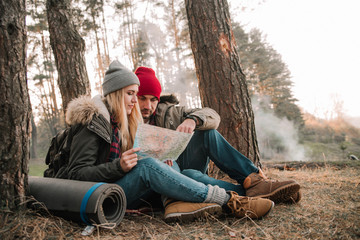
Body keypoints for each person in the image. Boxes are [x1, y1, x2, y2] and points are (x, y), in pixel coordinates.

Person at [63, 60, 275, 223]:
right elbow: (76, 175)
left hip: (130, 185)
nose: (137, 102)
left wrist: (190, 124)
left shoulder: (123, 122)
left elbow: (210, 115)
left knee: (187, 171)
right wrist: (118, 166)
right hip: (104, 195)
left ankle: (250, 189)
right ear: (116, 94)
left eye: (140, 95)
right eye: (132, 94)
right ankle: (228, 202)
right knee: (147, 167)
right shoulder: (93, 123)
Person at [135, 66, 301, 204]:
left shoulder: (170, 112)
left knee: (207, 134)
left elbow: (212, 115)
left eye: (153, 99)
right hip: (155, 180)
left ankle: (254, 181)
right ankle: (252, 194)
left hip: (182, 167)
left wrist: (193, 120)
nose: (148, 105)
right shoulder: (125, 119)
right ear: (133, 97)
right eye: (142, 98)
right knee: (191, 176)